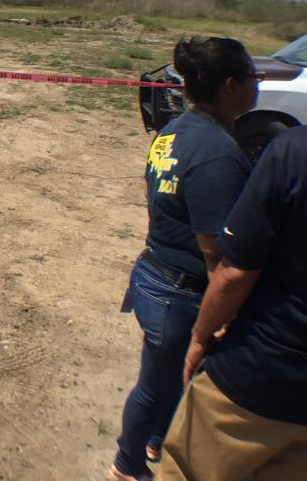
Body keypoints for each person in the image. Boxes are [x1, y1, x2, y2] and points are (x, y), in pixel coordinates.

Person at [109, 36, 261, 481]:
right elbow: (216, 252)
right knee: (157, 387)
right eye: (254, 76)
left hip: (157, 276)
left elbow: (150, 191)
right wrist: (221, 314)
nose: (258, 84)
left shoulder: (174, 130)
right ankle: (128, 464)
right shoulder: (218, 155)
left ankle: (158, 441)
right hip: (181, 293)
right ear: (232, 85)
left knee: (168, 381)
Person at [158, 125, 307, 480]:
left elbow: (234, 273)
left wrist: (200, 336)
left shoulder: (293, 151)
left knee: (188, 469)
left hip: (259, 375)